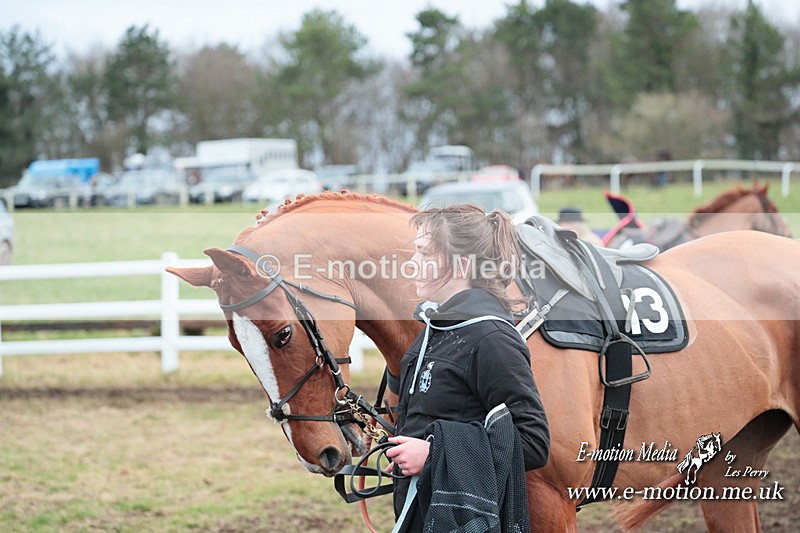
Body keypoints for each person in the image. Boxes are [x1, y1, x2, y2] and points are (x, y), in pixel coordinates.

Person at [386, 204, 550, 531]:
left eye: (424, 253)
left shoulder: (492, 340)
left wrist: (433, 455)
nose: (412, 264)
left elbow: (533, 443)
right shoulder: (435, 331)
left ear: (460, 264)